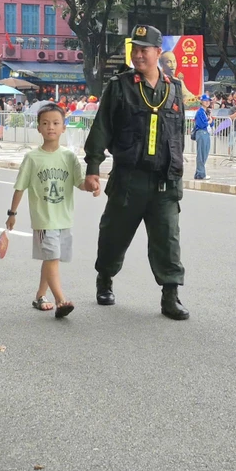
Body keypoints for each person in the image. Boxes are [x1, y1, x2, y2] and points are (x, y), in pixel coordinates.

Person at [83, 24, 189, 320]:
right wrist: (93, 167)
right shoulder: (119, 86)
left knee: (168, 239)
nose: (138, 55)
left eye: (145, 50)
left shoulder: (174, 88)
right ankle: (105, 278)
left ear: (158, 52)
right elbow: (102, 127)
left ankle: (170, 295)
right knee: (113, 236)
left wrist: (178, 168)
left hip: (165, 181)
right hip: (129, 178)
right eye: (135, 49)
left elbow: (178, 133)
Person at [6, 104, 98, 318]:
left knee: (51, 259)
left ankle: (40, 296)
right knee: (52, 257)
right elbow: (20, 187)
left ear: (63, 127)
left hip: (63, 218)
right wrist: (12, 214)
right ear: (38, 128)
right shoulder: (32, 158)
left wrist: (91, 185)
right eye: (45, 123)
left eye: (56, 123)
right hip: (44, 219)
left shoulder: (69, 157)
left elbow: (79, 183)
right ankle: (60, 300)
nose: (50, 127)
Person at [193, 94, 212, 180]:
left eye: (208, 101)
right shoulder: (200, 112)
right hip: (201, 133)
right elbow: (201, 124)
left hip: (206, 133)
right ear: (201, 102)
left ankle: (199, 173)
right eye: (205, 101)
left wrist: (210, 118)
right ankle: (201, 173)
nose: (207, 102)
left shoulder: (206, 112)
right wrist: (209, 122)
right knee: (201, 154)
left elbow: (211, 123)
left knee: (205, 153)